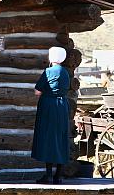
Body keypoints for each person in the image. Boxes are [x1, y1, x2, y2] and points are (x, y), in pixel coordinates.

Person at [31, 46, 70, 184]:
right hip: (62, 107)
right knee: (60, 137)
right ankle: (58, 176)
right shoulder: (66, 73)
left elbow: (37, 91)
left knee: (49, 137)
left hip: (49, 106)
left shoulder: (48, 71)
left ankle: (48, 175)